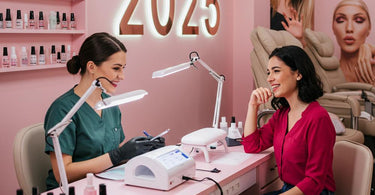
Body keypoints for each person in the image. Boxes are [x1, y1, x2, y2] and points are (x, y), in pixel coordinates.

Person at [44, 32, 164, 190]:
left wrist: (141, 151)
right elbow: (62, 173)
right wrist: (117, 155)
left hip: (107, 185)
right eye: (116, 68)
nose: (122, 76)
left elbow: (116, 157)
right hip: (74, 189)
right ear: (91, 67)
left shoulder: (110, 104)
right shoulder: (64, 110)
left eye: (123, 69)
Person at [242, 46, 336, 195]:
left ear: (298, 74)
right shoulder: (281, 115)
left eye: (276, 71)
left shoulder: (318, 118)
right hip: (289, 190)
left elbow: (314, 181)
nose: (269, 78)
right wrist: (252, 105)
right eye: (268, 72)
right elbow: (252, 145)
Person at [332, 0, 375, 85]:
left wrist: (372, 49)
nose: (349, 28)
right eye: (340, 20)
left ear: (369, 28)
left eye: (358, 20)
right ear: (333, 27)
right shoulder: (323, 73)